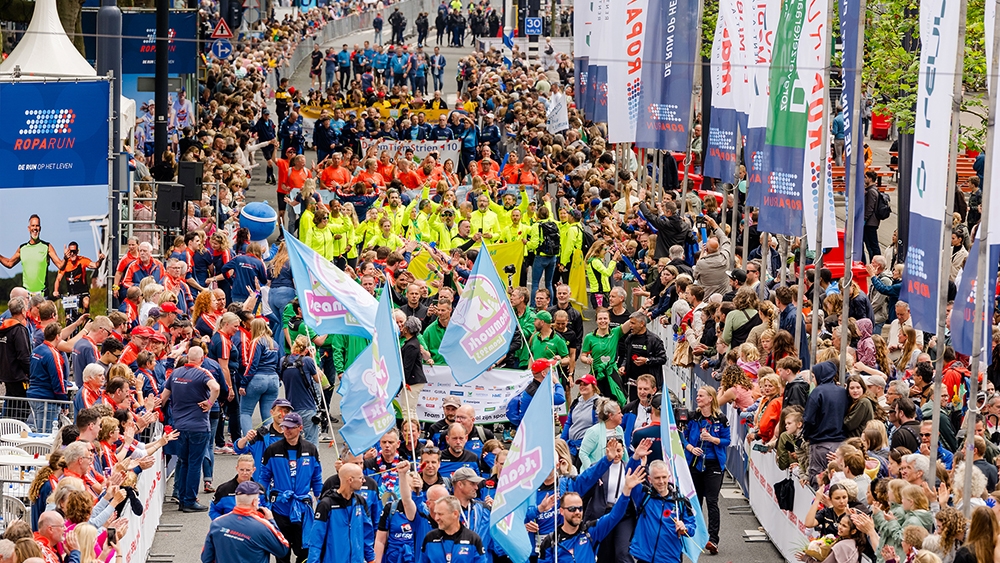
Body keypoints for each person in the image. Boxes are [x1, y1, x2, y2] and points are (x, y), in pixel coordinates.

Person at [537, 465, 646, 563]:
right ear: (561, 511)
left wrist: (626, 490)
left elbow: (614, 516)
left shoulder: (590, 531)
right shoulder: (550, 542)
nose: (577, 512)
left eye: (580, 508)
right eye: (572, 509)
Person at [161, 346, 220, 512]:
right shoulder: (203, 373)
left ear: (187, 358)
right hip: (198, 426)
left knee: (184, 461)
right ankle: (189, 500)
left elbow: (164, 397)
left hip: (179, 425)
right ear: (202, 359)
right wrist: (209, 403)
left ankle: (182, 497)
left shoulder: (176, 373)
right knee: (194, 463)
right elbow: (216, 388)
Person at [258, 413, 324, 563]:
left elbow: (317, 477)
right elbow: (264, 478)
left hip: (302, 508)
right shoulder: (272, 450)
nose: (286, 430)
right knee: (282, 549)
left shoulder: (311, 449)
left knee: (304, 550)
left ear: (300, 428)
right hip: (280, 507)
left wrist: (320, 500)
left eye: (290, 427)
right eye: (284, 427)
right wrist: (262, 503)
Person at [684, 386, 729, 555]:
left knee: (712, 501)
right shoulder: (692, 416)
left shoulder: (721, 419)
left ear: (710, 398)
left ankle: (713, 540)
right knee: (695, 501)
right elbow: (681, 436)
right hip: (695, 463)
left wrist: (713, 439)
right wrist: (690, 447)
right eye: (697, 395)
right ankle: (695, 536)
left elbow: (727, 440)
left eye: (701, 395)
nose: (698, 398)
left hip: (713, 465)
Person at [627, 457, 698, 563]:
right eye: (657, 478)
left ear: (669, 477)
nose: (661, 481)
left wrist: (685, 528)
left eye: (664, 477)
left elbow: (692, 528)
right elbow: (629, 476)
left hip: (670, 558)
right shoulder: (644, 495)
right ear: (650, 479)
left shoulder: (681, 501)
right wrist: (636, 457)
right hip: (645, 557)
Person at [201, 481, 290, 563]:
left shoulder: (217, 523)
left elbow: (206, 558)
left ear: (236, 500)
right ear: (254, 502)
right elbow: (282, 550)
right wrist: (271, 521)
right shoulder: (264, 526)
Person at [307, 463, 375, 563]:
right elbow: (316, 539)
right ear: (350, 480)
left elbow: (367, 533)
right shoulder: (326, 505)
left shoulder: (360, 502)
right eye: (361, 478)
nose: (364, 481)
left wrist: (371, 559)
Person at [803, 361, 848, 486]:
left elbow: (808, 419)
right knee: (836, 478)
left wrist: (806, 435)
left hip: (820, 443)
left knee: (818, 478)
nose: (813, 379)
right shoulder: (842, 391)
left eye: (814, 376)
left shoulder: (817, 392)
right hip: (840, 442)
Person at [0, 215, 65, 294]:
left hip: (42, 295)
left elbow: (60, 265)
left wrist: (66, 258)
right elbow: (9, 263)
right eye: (33, 226)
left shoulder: (47, 247)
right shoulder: (22, 248)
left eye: (37, 226)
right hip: (26, 296)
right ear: (29, 228)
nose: (35, 228)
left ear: (40, 228)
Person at [419, 496, 487, 563]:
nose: (436, 518)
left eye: (440, 514)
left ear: (455, 514)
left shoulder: (473, 539)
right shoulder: (429, 538)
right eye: (436, 513)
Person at [209, 454, 267, 520]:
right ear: (237, 468)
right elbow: (213, 511)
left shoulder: (260, 490)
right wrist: (224, 523)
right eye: (242, 470)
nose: (244, 473)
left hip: (253, 527)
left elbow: (266, 510)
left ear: (253, 470)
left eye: (248, 470)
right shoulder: (223, 490)